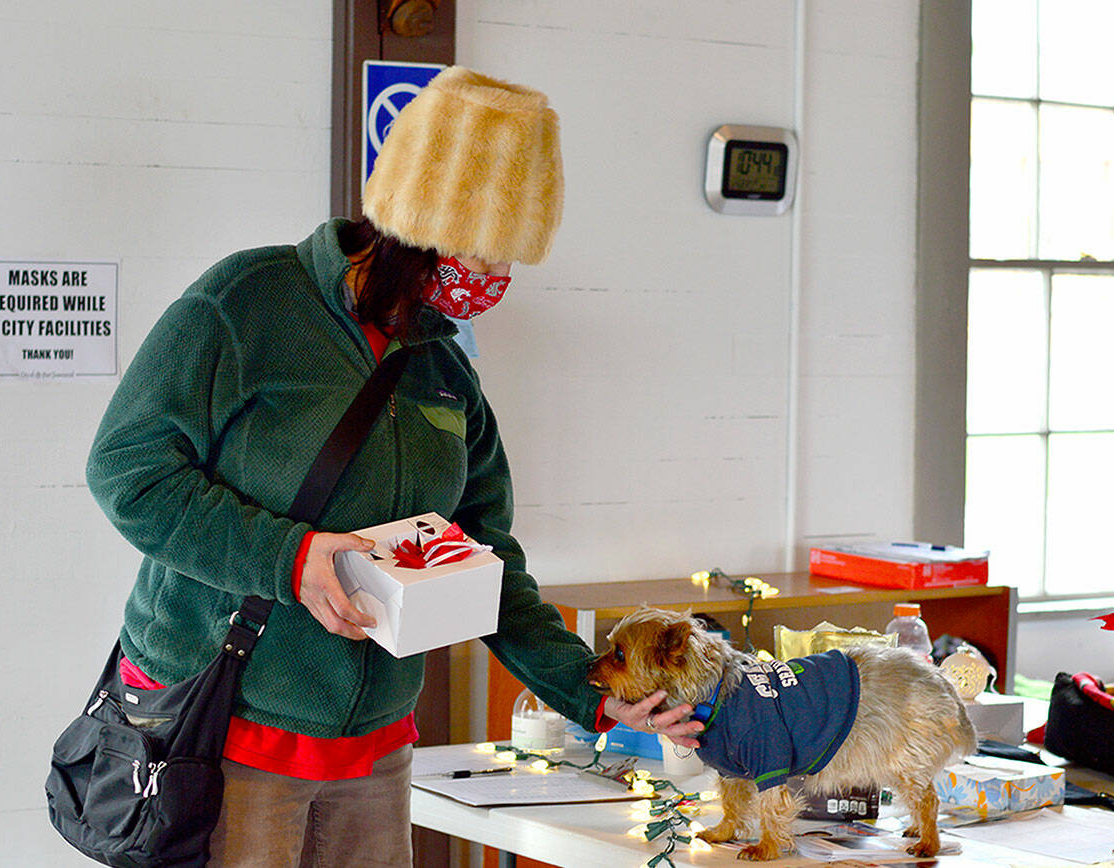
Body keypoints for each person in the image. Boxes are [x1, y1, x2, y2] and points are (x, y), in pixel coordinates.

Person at [85, 66, 702, 867]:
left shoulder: (443, 368)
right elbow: (127, 471)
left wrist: (591, 692)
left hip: (375, 755)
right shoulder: (248, 302)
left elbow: (486, 559)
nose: (491, 282)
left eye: (506, 261)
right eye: (479, 255)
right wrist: (293, 558)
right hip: (223, 732)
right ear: (413, 232)